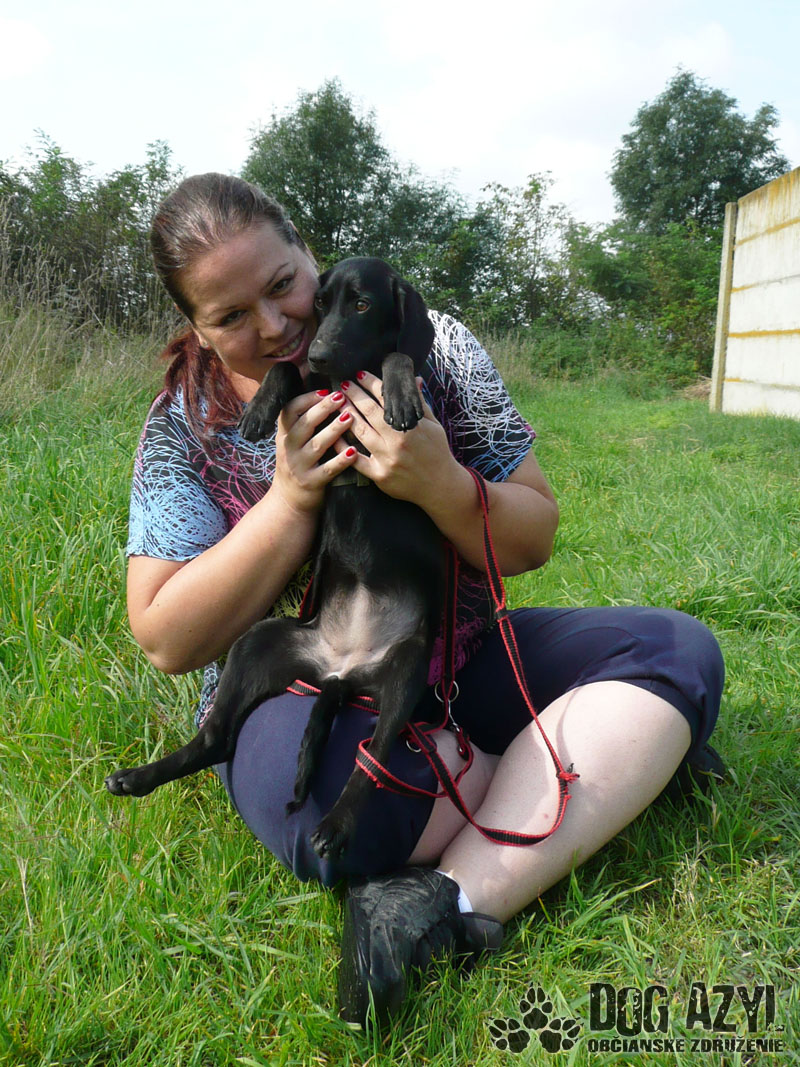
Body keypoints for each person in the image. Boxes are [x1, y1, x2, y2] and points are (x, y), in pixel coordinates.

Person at [126, 172, 725, 1026]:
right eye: (230, 316)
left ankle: (447, 892)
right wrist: (289, 501)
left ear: (307, 253)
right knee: (324, 809)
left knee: (677, 648)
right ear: (197, 328)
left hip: (458, 657)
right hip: (307, 699)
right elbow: (164, 637)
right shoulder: (183, 425)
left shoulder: (435, 347)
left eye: (283, 284)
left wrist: (443, 484)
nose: (275, 324)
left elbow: (536, 534)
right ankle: (609, 763)